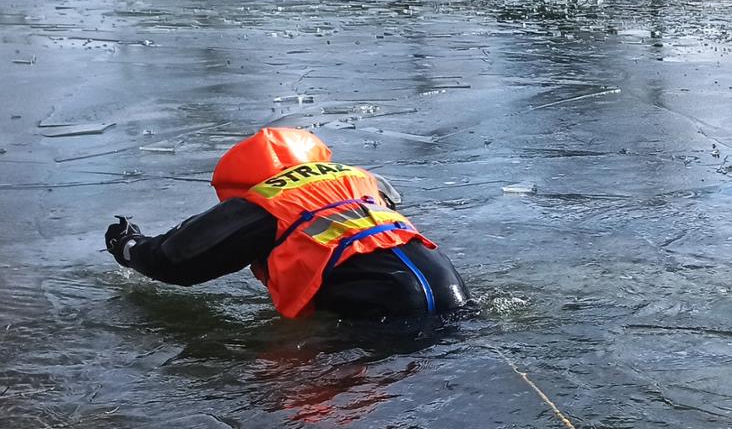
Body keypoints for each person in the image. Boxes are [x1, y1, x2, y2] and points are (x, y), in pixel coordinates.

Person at [105, 127, 469, 320]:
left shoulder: (265, 203)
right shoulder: (362, 180)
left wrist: (129, 246)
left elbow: (177, 259)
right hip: (450, 287)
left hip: (382, 303)